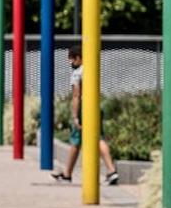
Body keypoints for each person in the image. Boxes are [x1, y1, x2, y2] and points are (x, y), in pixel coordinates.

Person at [51, 48, 120, 185]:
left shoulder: (77, 73)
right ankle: (111, 170)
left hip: (84, 109)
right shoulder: (93, 69)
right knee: (98, 137)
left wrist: (75, 115)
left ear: (78, 58)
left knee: (75, 140)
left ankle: (67, 174)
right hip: (96, 106)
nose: (71, 62)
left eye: (72, 59)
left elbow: (76, 95)